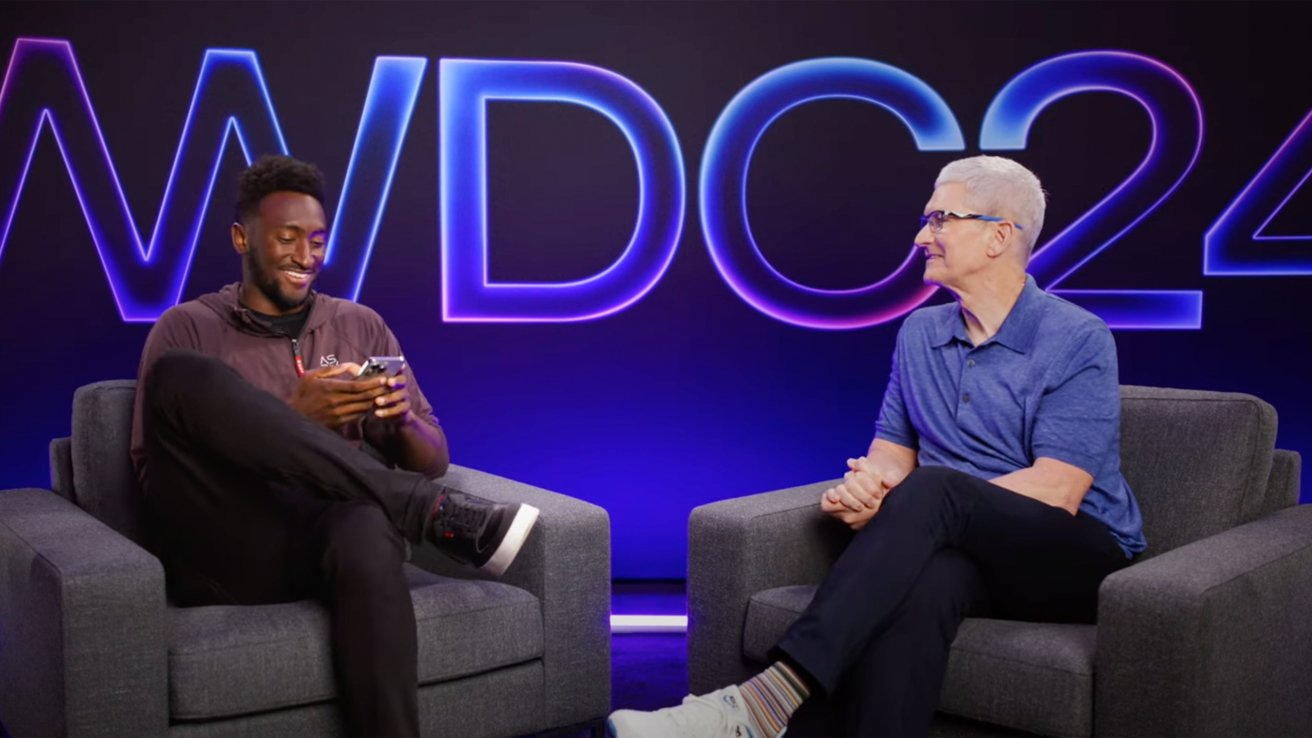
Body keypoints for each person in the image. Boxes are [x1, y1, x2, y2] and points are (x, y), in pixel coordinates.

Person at [608, 156, 1147, 738]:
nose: (922, 236)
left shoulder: (1077, 337)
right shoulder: (920, 333)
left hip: (1079, 559)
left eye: (941, 219)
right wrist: (868, 488)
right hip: (966, 550)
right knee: (931, 581)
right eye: (926, 219)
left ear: (999, 235)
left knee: (937, 490)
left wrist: (910, 504)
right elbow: (892, 456)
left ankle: (767, 699)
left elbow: (1058, 489)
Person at [129, 154, 539, 737]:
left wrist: (398, 423)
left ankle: (416, 511)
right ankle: (426, 511)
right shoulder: (188, 327)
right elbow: (156, 481)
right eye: (288, 239)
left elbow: (435, 456)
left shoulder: (360, 325)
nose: (306, 257)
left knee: (367, 527)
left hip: (326, 549)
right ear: (243, 238)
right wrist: (298, 416)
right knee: (181, 375)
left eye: (317, 241)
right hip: (229, 550)